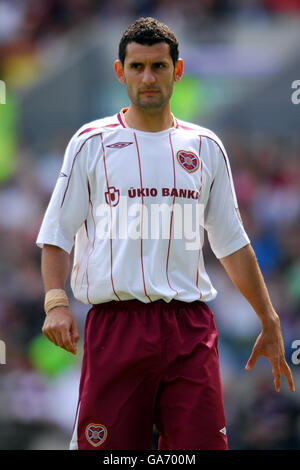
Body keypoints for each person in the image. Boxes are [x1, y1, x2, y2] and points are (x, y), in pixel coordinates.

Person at [36, 17, 295, 451]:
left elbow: (232, 244)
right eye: (137, 67)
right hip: (116, 326)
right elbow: (56, 235)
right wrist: (55, 304)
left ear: (177, 70)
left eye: (158, 66)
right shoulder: (90, 143)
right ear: (120, 72)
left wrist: (268, 319)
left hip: (189, 327)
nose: (148, 77)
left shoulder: (206, 147)